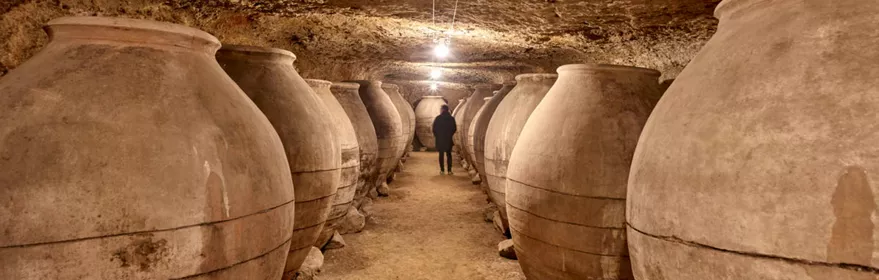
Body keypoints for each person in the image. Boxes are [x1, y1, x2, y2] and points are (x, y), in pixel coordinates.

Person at [432, 104, 457, 175]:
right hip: (448, 139)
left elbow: (434, 129)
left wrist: (438, 136)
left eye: (440, 109)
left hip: (440, 139)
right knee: (449, 154)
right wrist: (450, 135)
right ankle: (449, 170)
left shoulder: (438, 118)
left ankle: (442, 170)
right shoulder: (451, 118)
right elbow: (454, 128)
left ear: (443, 110)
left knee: (441, 155)